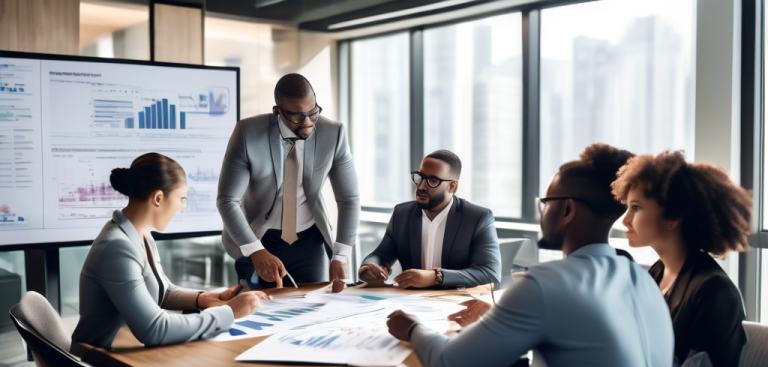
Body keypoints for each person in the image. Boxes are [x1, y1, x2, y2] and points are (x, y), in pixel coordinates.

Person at [382, 144, 674, 367]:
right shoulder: (644, 282)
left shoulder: (547, 282)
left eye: (546, 203)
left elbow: (447, 366)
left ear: (567, 209)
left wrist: (412, 328)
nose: (542, 212)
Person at [612, 150, 752, 367]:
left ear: (673, 216)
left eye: (636, 208)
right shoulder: (656, 273)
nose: (625, 220)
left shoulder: (713, 291)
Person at [72, 153, 263, 350]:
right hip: (100, 366)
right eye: (182, 198)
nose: (183, 206)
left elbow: (161, 291)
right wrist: (229, 312)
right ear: (158, 198)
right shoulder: (117, 247)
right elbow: (155, 330)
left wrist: (205, 299)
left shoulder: (140, 234)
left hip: (127, 356)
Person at [218, 74, 359, 295]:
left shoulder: (334, 133)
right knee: (261, 306)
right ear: (278, 111)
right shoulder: (247, 133)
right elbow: (227, 200)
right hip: (259, 238)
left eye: (313, 112)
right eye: (298, 116)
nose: (308, 123)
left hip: (309, 239)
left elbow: (348, 199)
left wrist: (340, 254)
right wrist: (255, 250)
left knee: (312, 307)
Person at [358, 150, 501, 289]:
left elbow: (490, 274)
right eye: (420, 177)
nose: (421, 186)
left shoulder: (477, 217)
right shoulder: (402, 214)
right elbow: (380, 255)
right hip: (409, 303)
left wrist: (436, 277)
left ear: (452, 186)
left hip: (455, 305)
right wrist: (368, 268)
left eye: (433, 180)